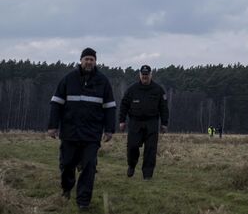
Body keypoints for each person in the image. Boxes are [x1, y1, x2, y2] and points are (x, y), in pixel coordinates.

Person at [47, 47, 116, 210]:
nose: (89, 62)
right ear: (81, 60)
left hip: (92, 134)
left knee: (89, 166)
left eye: (92, 59)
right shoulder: (68, 79)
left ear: (95, 62)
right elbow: (56, 103)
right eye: (86, 59)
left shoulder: (103, 81)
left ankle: (83, 201)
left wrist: (109, 129)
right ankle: (66, 188)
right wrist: (52, 126)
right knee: (67, 164)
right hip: (70, 132)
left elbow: (110, 107)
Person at [119, 65, 169, 180]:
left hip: (152, 122)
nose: (145, 77)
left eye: (147, 75)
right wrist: (122, 120)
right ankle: (131, 165)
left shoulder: (158, 90)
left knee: (150, 149)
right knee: (132, 146)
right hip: (135, 122)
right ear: (140, 75)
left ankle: (147, 175)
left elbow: (164, 108)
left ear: (151, 75)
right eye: (143, 75)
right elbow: (124, 105)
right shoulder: (132, 89)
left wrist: (164, 123)